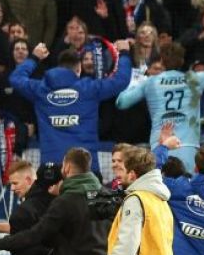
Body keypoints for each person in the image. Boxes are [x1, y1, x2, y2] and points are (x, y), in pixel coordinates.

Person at [115, 38, 204, 171]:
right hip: (188, 149)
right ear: (182, 61)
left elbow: (121, 102)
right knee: (186, 189)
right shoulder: (194, 79)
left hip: (160, 146)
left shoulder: (150, 82)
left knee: (162, 190)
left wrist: (136, 82)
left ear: (161, 61)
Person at [9, 39, 132, 169]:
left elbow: (15, 78)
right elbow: (121, 80)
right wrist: (124, 53)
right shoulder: (89, 88)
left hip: (51, 167)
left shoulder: (41, 89)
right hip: (85, 167)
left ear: (58, 66)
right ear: (79, 68)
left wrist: (34, 58)